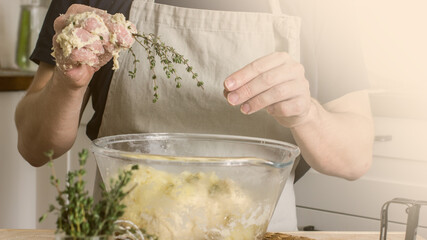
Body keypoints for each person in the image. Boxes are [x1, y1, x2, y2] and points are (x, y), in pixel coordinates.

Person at [15, 0, 374, 232]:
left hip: (255, 229)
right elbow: (34, 145)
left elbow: (354, 157)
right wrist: (68, 80)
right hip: (125, 228)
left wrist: (306, 113)